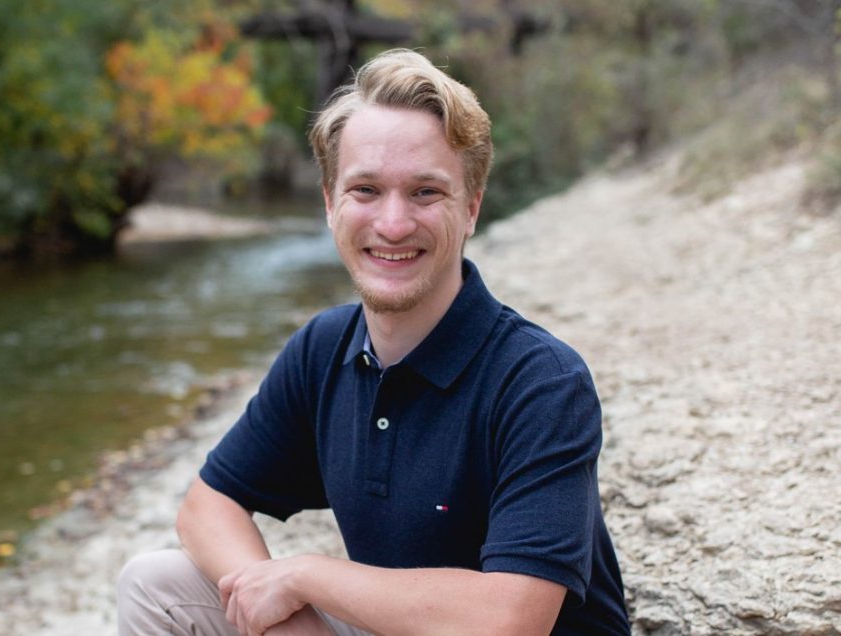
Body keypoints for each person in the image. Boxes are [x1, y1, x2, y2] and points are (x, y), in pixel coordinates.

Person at [117, 48, 630, 635]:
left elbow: (509, 622)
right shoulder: (323, 350)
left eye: (425, 193)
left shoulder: (540, 381)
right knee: (154, 584)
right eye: (365, 190)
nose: (392, 224)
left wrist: (307, 577)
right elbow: (207, 505)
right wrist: (286, 619)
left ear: (471, 209)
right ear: (331, 203)